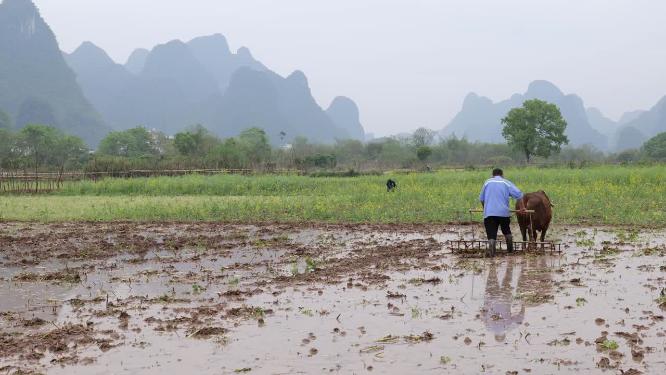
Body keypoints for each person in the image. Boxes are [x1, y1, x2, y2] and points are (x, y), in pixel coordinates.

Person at [479, 168, 523, 256]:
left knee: (491, 233)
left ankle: (492, 253)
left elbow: (481, 199)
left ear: (492, 175)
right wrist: (523, 208)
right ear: (502, 175)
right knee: (506, 230)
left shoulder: (487, 182)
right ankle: (510, 252)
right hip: (503, 213)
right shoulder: (506, 182)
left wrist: (485, 209)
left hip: (490, 213)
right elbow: (519, 194)